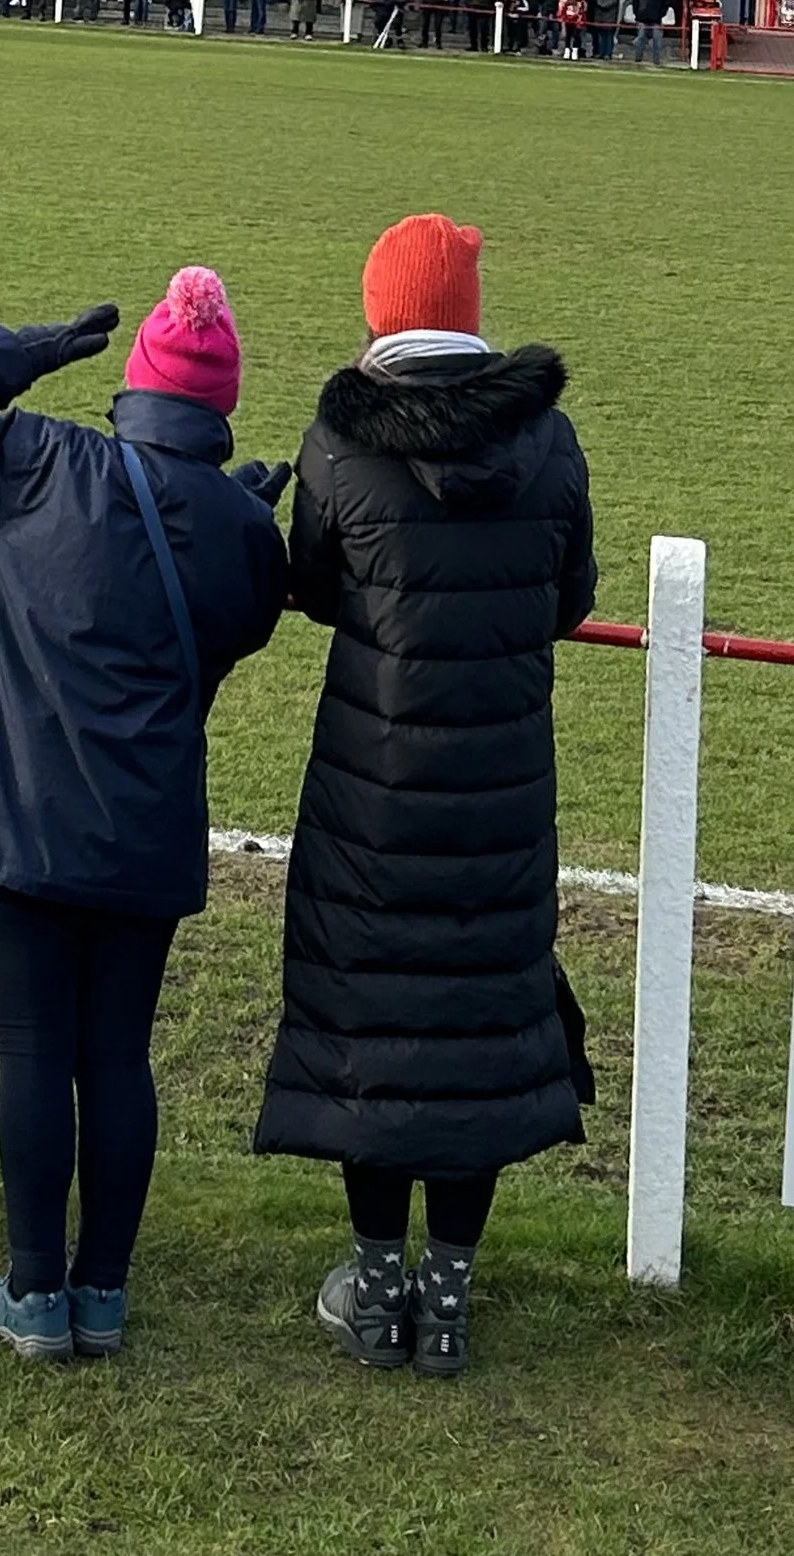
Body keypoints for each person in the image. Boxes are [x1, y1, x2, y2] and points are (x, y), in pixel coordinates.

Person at [0, 275, 290, 1363]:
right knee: (117, 1056)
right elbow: (231, 620)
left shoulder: (43, 464)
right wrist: (234, 506)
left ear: (135, 385)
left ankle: (33, 1292)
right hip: (143, 824)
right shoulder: (245, 529)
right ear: (221, 408)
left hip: (21, 815)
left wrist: (21, 348)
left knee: (32, 1045)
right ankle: (101, 1290)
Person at [255, 215, 597, 1380]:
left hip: (373, 791)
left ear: (378, 315)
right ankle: (445, 1300)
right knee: (478, 1027)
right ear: (468, 311)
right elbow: (569, 593)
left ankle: (380, 1288)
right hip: (501, 788)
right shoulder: (548, 443)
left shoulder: (337, 447)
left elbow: (310, 588)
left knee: (376, 1025)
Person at [627, 0, 671, 67]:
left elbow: (666, 3)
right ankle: (638, 59)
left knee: (657, 41)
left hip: (656, 20)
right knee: (640, 39)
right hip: (642, 19)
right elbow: (635, 1)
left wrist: (660, 14)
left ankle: (656, 61)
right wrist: (637, 14)